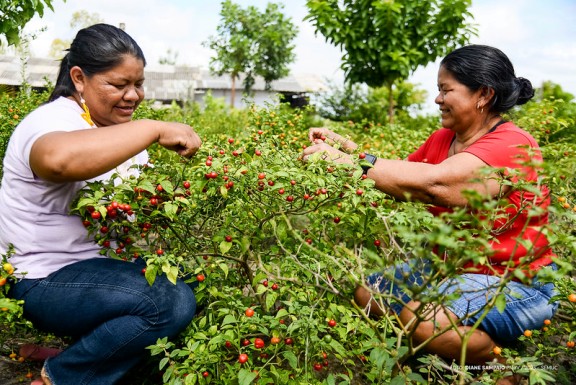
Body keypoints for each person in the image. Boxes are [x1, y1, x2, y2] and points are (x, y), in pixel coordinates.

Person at [301, 45, 557, 375]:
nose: (438, 99)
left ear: (483, 94)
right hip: (451, 270)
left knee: (421, 320)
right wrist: (345, 149)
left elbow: (435, 185)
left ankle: (503, 368)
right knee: (369, 294)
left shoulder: (512, 144)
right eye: (439, 89)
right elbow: (402, 180)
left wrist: (346, 162)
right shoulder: (443, 139)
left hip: (519, 284)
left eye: (446, 89)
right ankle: (449, 352)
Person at [0, 24, 202, 385]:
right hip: (41, 280)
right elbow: (59, 160)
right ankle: (63, 376)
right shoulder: (49, 121)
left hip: (90, 271)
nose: (132, 96)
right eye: (118, 84)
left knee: (194, 282)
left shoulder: (114, 129)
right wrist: (153, 129)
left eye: (138, 84)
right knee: (168, 302)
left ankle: (83, 350)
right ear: (79, 78)